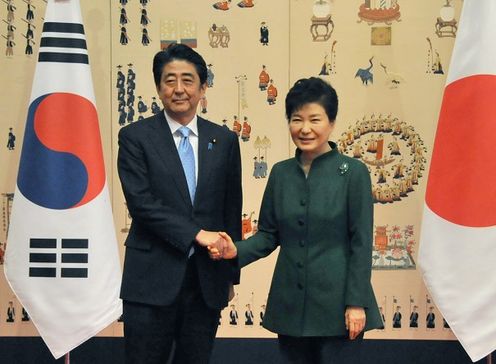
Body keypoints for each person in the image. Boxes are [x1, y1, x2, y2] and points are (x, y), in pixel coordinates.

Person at [210, 77, 383, 363]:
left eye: (315, 119)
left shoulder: (353, 173)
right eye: (296, 119)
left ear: (332, 122)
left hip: (338, 306)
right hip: (290, 304)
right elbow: (268, 235)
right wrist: (234, 251)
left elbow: (361, 243)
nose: (305, 129)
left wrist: (356, 303)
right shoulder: (281, 173)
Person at [117, 43, 242, 364]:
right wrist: (197, 234)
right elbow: (142, 204)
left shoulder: (224, 140)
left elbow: (230, 209)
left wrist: (229, 275)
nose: (178, 89)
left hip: (205, 283)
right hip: (150, 282)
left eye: (188, 80)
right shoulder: (135, 137)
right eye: (169, 80)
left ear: (203, 87)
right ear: (159, 87)